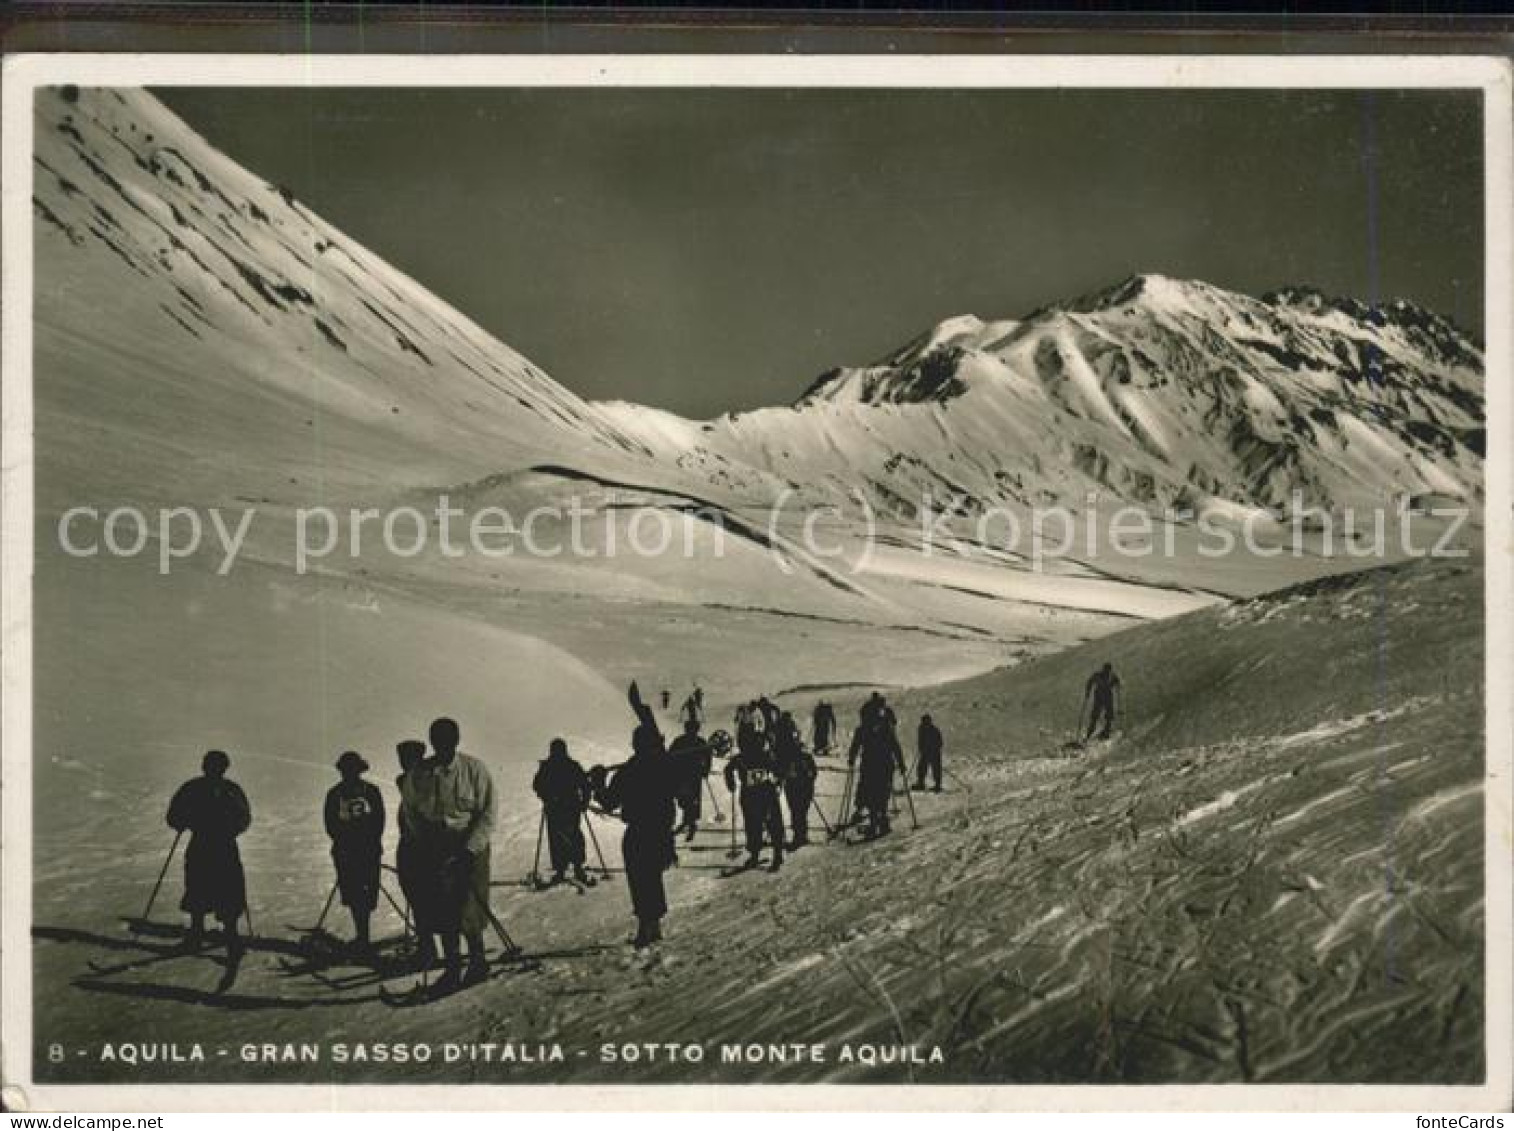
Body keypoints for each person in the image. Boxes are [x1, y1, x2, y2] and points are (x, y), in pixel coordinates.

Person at [413, 717, 496, 989]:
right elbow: (411, 812)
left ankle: (477, 962)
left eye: (448, 742)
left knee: (469, 907)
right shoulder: (420, 773)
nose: (443, 747)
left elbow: (488, 814)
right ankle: (451, 968)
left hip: (470, 846)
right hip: (435, 848)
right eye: (438, 742)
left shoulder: (474, 770)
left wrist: (470, 850)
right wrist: (424, 842)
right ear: (432, 743)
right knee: (442, 909)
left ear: (457, 741)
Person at [600, 681, 678, 947]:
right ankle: (653, 925)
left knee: (640, 878)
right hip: (662, 831)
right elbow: (655, 737)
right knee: (652, 877)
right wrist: (640, 709)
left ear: (635, 746)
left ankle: (647, 926)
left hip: (639, 832)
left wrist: (598, 782)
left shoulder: (630, 772)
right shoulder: (663, 764)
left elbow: (609, 802)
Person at [165, 750, 252, 956]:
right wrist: (182, 821)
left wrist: (231, 828)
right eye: (211, 765)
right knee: (199, 886)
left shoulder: (226, 790)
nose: (213, 769)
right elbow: (174, 815)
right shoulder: (196, 789)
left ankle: (227, 936)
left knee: (225, 888)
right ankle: (199, 935)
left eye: (216, 765)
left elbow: (244, 817)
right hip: (207, 844)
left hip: (220, 845)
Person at [323, 750, 385, 950]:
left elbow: (379, 821)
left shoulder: (371, 792)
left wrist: (367, 842)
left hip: (367, 851)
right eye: (346, 771)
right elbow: (330, 824)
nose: (349, 774)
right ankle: (362, 937)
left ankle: (363, 937)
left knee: (365, 896)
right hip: (346, 853)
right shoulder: (334, 794)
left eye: (353, 770)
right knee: (353, 895)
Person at [394, 739, 436, 970]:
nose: (402, 764)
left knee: (424, 900)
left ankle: (429, 950)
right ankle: (426, 946)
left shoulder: (425, 780)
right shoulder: (407, 781)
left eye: (406, 759)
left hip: (424, 849)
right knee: (417, 898)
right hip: (409, 848)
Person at [724, 716, 785, 871]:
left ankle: (777, 854)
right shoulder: (744, 756)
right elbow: (729, 768)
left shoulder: (761, 753)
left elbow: (776, 765)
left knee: (771, 823)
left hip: (763, 791)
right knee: (754, 825)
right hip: (753, 793)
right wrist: (731, 781)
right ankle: (757, 854)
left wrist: (779, 777)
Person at [532, 739, 592, 886]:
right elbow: (537, 785)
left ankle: (568, 869)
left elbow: (585, 785)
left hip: (563, 808)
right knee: (569, 836)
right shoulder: (570, 766)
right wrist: (584, 802)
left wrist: (584, 802)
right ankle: (570, 868)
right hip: (564, 807)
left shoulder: (551, 766)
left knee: (563, 837)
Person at [848, 714, 901, 839]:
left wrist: (901, 762)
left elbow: (895, 746)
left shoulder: (885, 729)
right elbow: (855, 745)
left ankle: (882, 823)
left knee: (882, 794)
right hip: (870, 767)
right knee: (871, 795)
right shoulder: (863, 730)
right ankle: (875, 823)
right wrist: (852, 757)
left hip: (883, 766)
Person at [773, 711, 817, 850]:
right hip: (799, 781)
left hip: (798, 781)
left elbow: (811, 769)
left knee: (798, 808)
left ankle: (800, 836)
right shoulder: (796, 744)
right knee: (799, 809)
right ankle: (800, 835)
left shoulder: (789, 746)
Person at [668, 718, 713, 842]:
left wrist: (706, 770)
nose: (691, 731)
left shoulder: (700, 742)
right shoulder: (679, 741)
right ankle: (687, 822)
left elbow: (708, 756)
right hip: (681, 775)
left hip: (694, 776)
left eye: (693, 729)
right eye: (689, 729)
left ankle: (690, 825)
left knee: (692, 801)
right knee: (683, 801)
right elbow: (670, 755)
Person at [1083, 662, 1122, 742]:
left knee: (1109, 716)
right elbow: (1090, 682)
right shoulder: (1098, 675)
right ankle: (1089, 735)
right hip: (1099, 697)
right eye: (1106, 670)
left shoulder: (1112, 676)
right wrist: (1087, 693)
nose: (1107, 672)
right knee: (1095, 716)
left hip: (1107, 696)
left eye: (1108, 671)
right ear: (1103, 669)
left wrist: (1119, 703)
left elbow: (1118, 685)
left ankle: (1106, 732)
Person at [915, 714, 945, 793]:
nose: (925, 724)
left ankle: (937, 785)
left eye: (926, 722)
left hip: (934, 753)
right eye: (924, 722)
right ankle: (920, 783)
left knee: (936, 769)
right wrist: (921, 749)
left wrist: (934, 749)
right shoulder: (921, 729)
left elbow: (940, 742)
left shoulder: (934, 730)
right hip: (925, 752)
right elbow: (920, 740)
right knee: (921, 768)